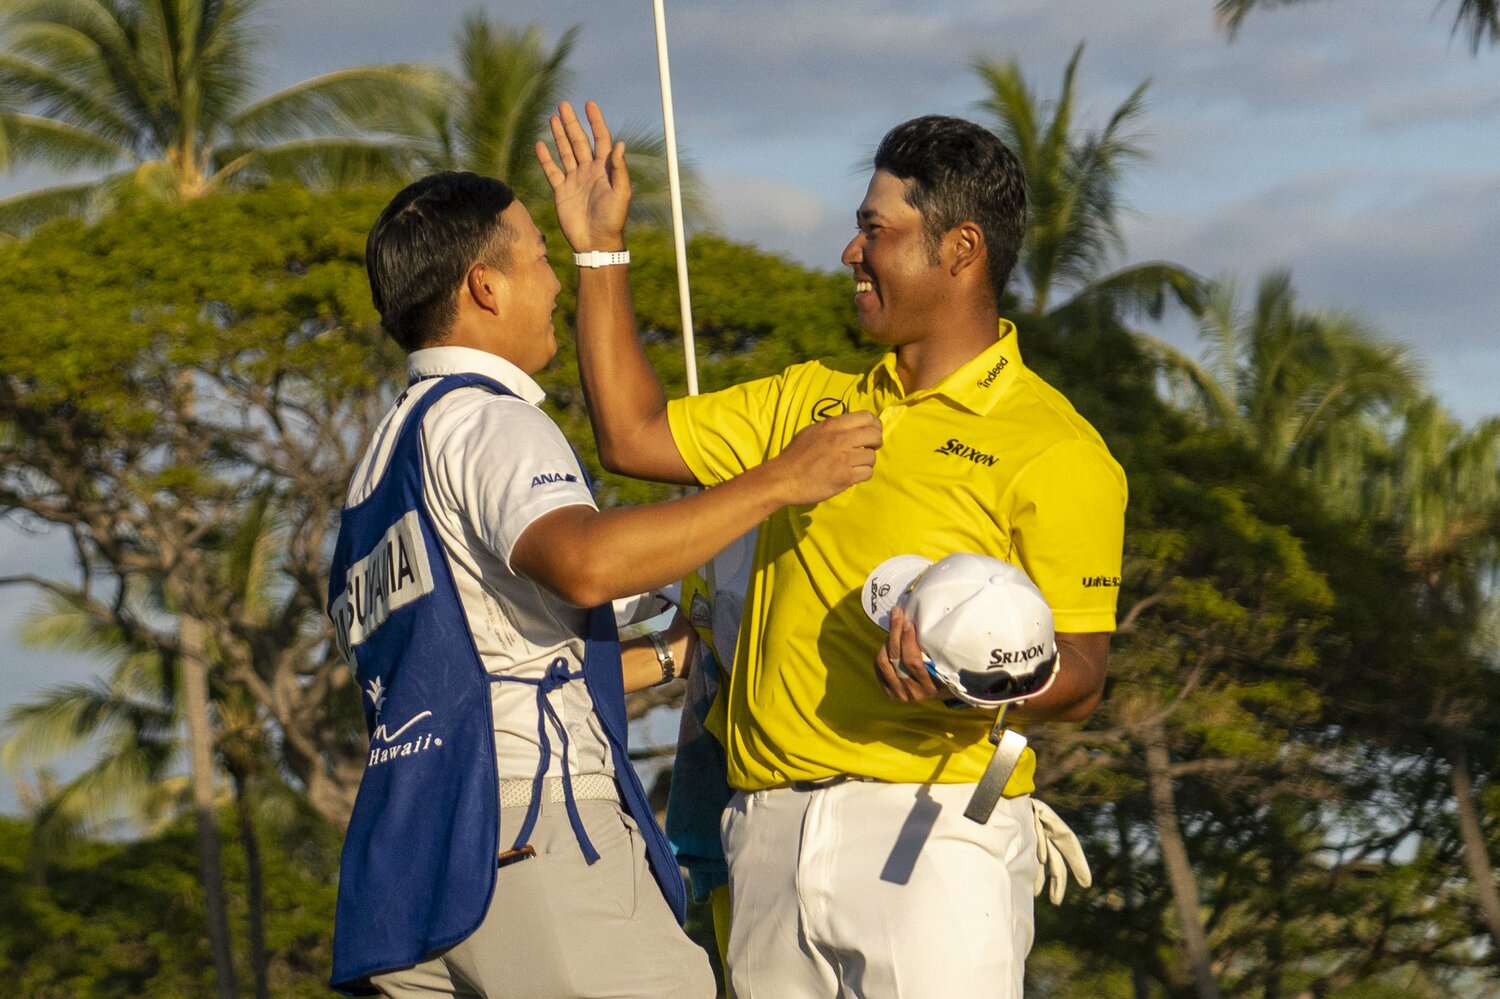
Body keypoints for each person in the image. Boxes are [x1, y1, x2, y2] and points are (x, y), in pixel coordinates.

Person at [540, 101, 1126, 998]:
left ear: (960, 249)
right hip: (765, 832)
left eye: (874, 231)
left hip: (935, 831)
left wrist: (973, 681)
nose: (852, 253)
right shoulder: (803, 400)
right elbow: (631, 433)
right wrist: (600, 250)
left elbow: (1083, 670)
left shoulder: (1059, 447)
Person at [325, 169, 882, 997]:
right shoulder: (488, 418)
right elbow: (584, 561)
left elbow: (485, 667)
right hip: (533, 830)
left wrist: (669, 655)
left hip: (409, 871)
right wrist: (778, 480)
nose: (553, 283)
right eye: (543, 258)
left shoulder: (379, 469)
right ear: (485, 285)